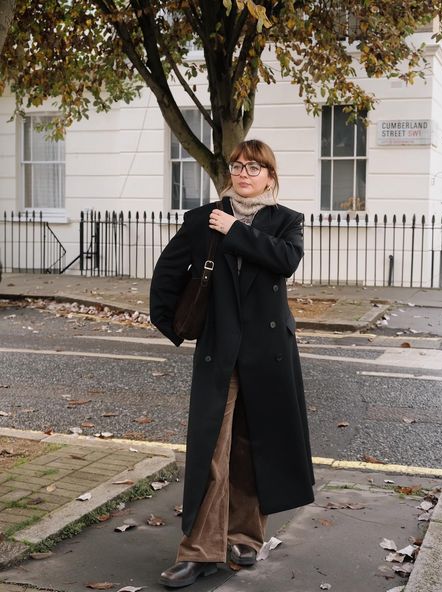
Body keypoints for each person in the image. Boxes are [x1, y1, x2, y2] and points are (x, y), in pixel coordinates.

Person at [150, 139, 315, 589]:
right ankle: (199, 550)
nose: (244, 173)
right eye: (238, 165)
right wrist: (172, 324)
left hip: (269, 353)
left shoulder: (287, 222)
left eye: (254, 167)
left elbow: (286, 261)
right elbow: (168, 272)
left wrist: (235, 231)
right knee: (212, 450)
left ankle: (245, 536)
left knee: (252, 445)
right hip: (219, 349)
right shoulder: (203, 218)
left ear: (270, 177)